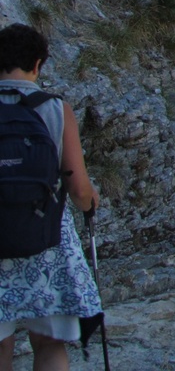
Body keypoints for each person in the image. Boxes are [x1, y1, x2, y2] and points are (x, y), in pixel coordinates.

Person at [0, 23, 103, 371]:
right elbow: (78, 190)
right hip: (45, 242)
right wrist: (91, 203)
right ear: (38, 64)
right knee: (49, 344)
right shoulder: (56, 110)